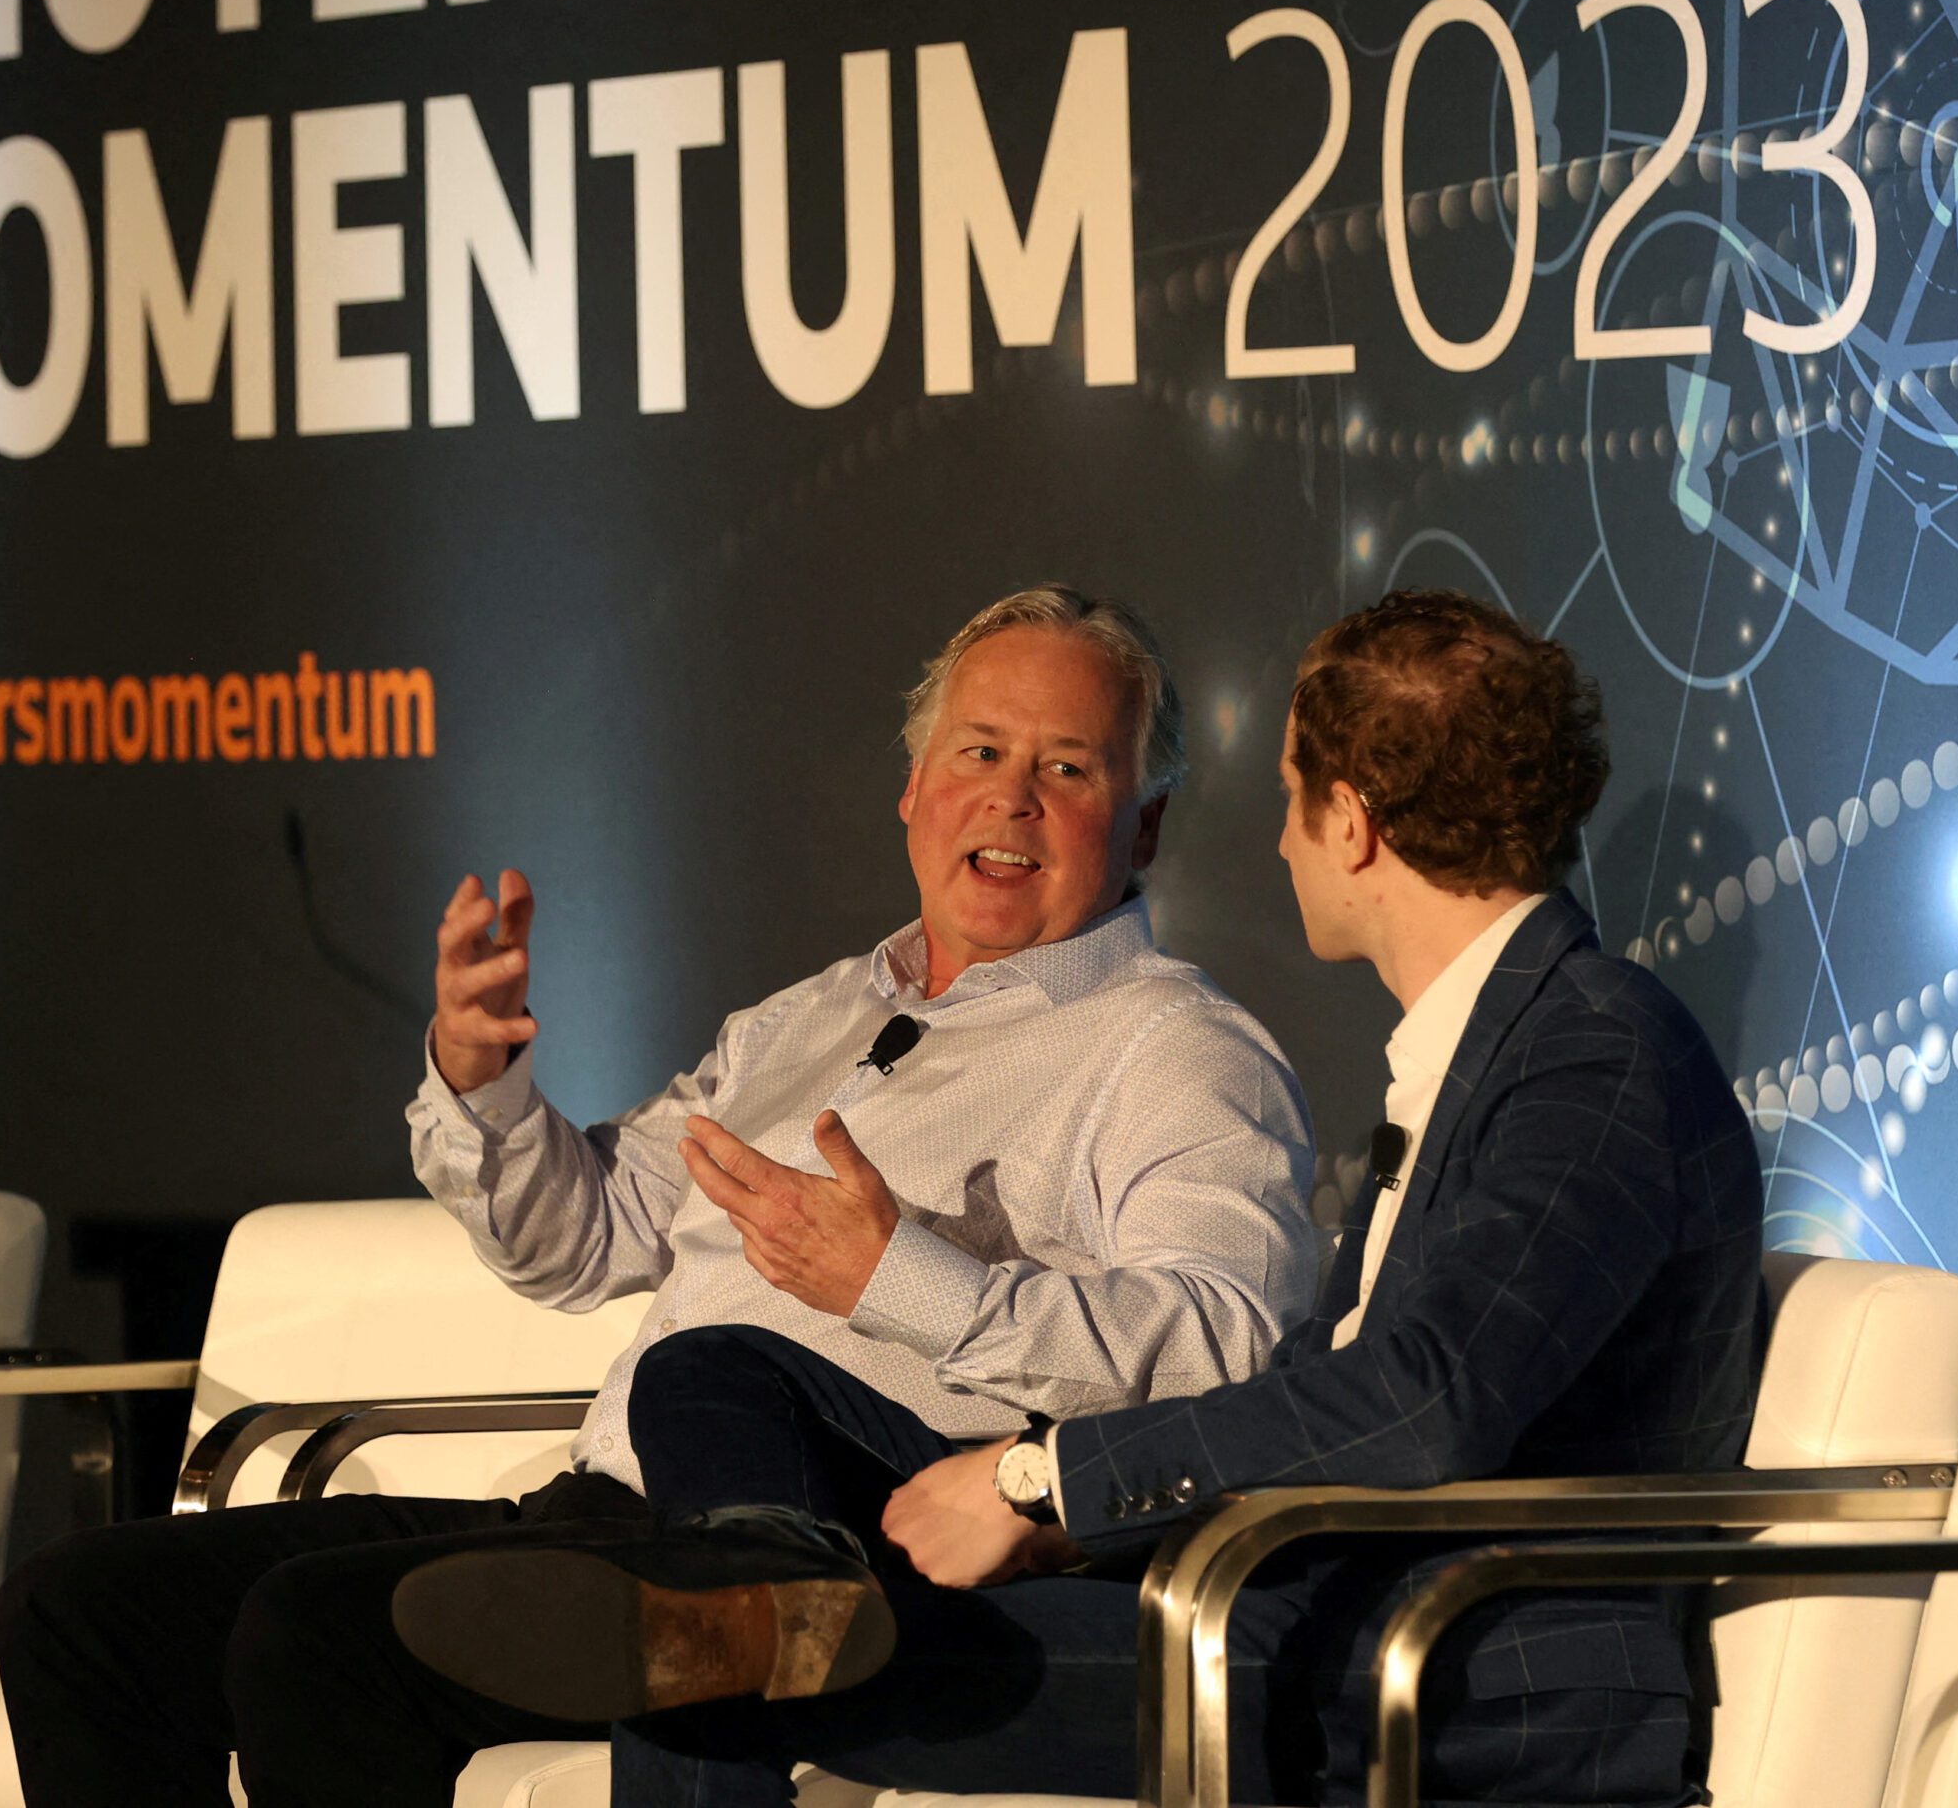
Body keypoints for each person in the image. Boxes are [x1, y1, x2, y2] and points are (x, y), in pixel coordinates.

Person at [397, 589, 1765, 1808]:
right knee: (713, 1444)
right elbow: (1365, 1382)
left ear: (1349, 824)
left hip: (1448, 1671)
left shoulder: (1593, 1052)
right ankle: (733, 1598)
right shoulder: (1504, 1047)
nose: (1281, 846)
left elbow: (1421, 1397)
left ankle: (728, 1608)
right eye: (981, 755)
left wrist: (1042, 1474)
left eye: (1291, 801)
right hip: (1312, 1617)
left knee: (715, 1649)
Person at [0, 585, 1317, 1807]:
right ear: (912, 790)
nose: (1012, 798)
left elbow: (1223, 1349)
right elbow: (585, 1243)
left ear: (1143, 820)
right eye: (978, 752)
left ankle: (736, 1616)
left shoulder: (1178, 1052)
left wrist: (905, 1278)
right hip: (602, 1520)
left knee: (323, 1631)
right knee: (85, 1603)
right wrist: (484, 1083)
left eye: (1068, 768)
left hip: (856, 1551)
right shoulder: (807, 1021)